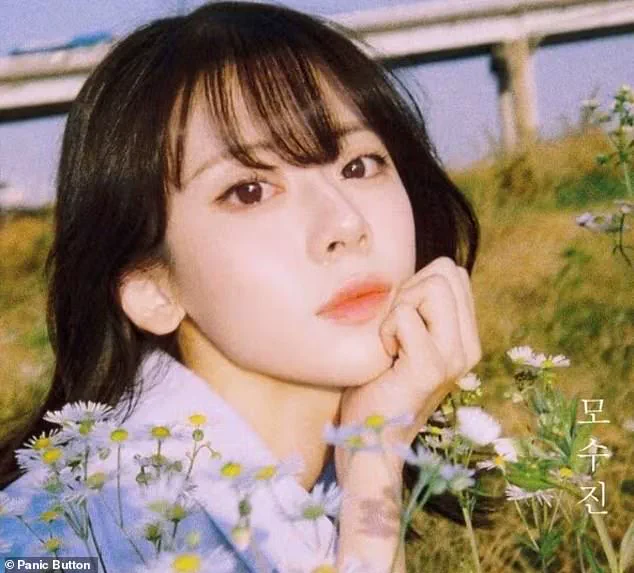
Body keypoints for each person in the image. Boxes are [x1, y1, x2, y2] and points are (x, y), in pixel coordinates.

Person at [0, 2, 482, 571]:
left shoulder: (311, 487)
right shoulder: (81, 537)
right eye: (249, 191)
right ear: (153, 288)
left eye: (359, 165)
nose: (345, 224)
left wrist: (373, 460)